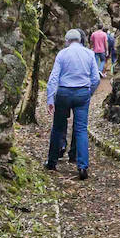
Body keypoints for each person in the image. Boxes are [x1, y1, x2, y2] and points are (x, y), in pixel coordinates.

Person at [45, 28, 100, 180]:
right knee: (81, 129)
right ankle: (82, 166)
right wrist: (89, 93)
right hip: (82, 93)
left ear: (67, 41)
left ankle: (52, 161)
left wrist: (50, 99)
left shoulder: (62, 54)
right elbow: (96, 78)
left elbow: (54, 78)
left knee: (58, 127)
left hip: (63, 93)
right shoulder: (89, 54)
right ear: (80, 40)